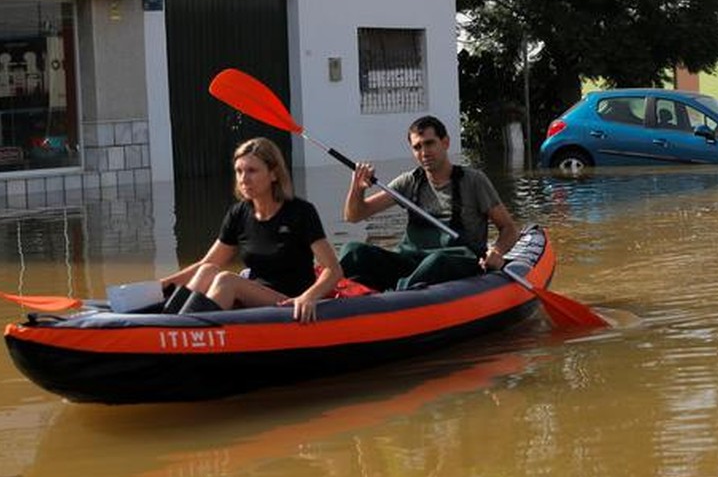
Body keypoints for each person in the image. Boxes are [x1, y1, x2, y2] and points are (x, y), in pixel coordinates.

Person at [159, 137, 343, 322]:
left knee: (226, 281)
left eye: (251, 171)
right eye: (239, 171)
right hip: (254, 297)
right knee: (208, 270)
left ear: (274, 174)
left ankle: (183, 329)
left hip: (290, 302)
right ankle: (166, 324)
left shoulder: (301, 212)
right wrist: (163, 284)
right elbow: (207, 263)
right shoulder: (238, 213)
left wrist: (309, 296)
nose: (243, 179)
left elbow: (332, 270)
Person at [338, 115, 519, 291]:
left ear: (445, 142)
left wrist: (497, 252)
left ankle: (397, 300)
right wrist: (358, 188)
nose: (424, 152)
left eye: (429, 143)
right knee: (352, 250)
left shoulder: (474, 181)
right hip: (412, 261)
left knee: (436, 261)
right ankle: (332, 296)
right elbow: (354, 216)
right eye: (417, 147)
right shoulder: (409, 182)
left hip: (457, 261)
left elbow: (509, 229)